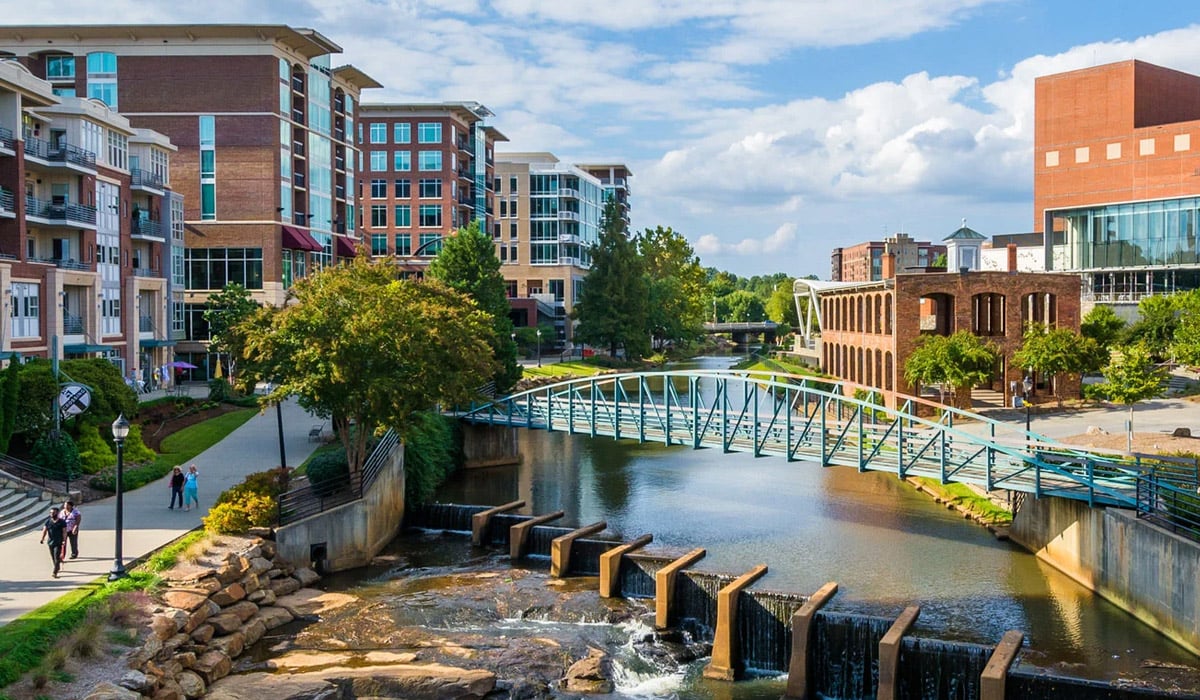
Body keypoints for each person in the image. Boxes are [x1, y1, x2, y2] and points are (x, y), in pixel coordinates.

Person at [39, 506, 65, 578]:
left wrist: (64, 540)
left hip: (58, 542)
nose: (51, 514)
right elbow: (44, 530)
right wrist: (42, 538)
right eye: (50, 512)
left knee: (56, 556)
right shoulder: (48, 521)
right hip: (50, 542)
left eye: (53, 513)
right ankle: (57, 566)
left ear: (57, 513)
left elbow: (64, 532)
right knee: (53, 557)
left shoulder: (62, 522)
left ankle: (55, 572)